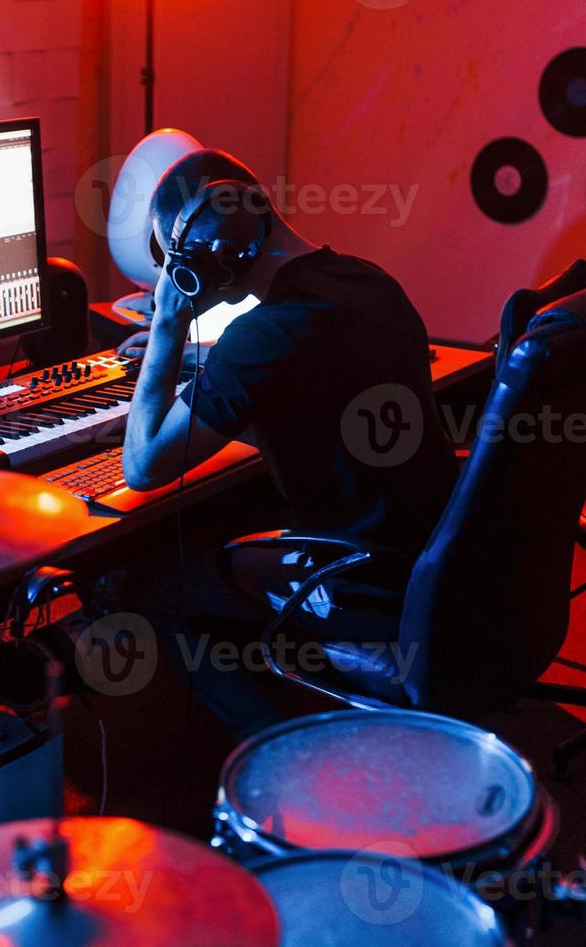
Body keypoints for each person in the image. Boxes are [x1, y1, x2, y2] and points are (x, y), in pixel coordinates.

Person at [110, 148, 461, 738]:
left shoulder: (265, 334)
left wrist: (168, 327)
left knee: (142, 582)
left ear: (211, 246)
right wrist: (210, 367)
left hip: (358, 583)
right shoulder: (370, 282)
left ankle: (285, 749)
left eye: (177, 259)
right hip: (427, 559)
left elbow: (143, 466)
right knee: (226, 517)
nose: (178, 275)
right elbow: (304, 388)